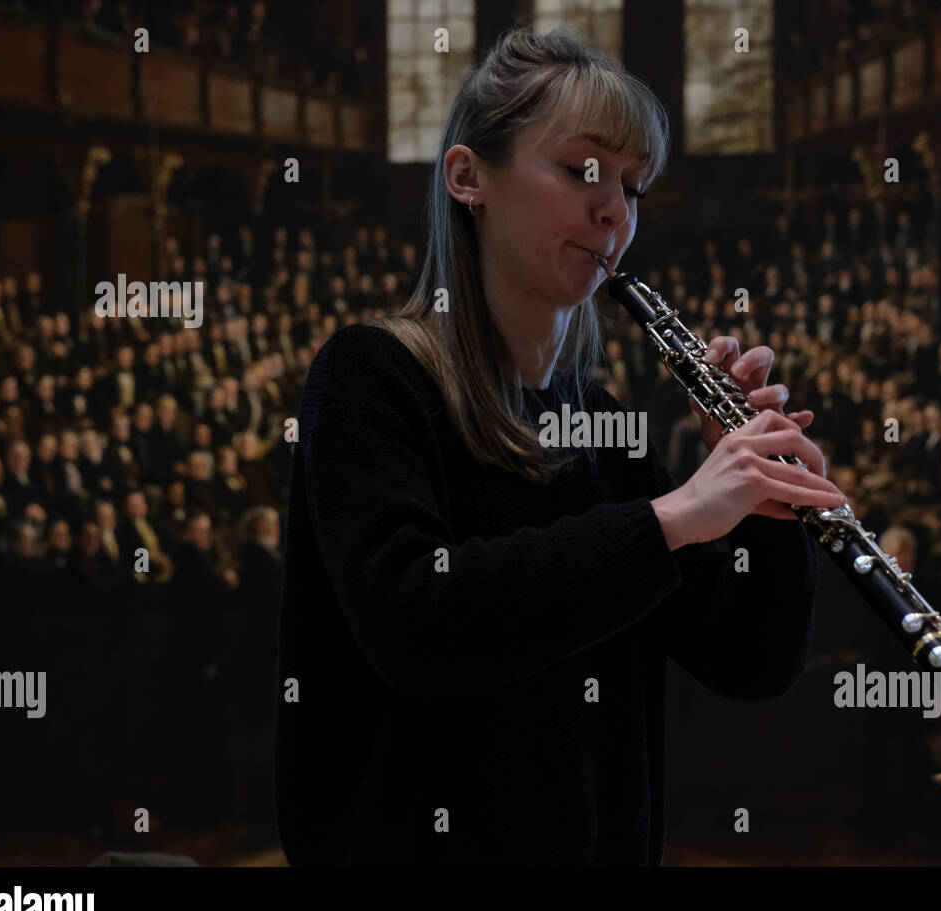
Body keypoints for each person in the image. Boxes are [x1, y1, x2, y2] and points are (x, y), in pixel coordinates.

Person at [274, 28, 842, 867]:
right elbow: (415, 628)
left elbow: (749, 661)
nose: (615, 209)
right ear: (469, 177)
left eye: (632, 184)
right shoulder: (371, 378)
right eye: (583, 170)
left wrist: (767, 506)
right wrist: (671, 518)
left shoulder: (602, 425)